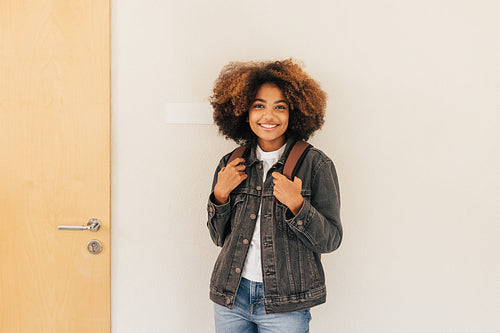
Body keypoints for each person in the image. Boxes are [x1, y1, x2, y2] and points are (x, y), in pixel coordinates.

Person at [207, 59, 342, 333]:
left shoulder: (316, 165)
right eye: (259, 105)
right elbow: (218, 237)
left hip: (286, 305)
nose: (269, 116)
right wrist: (220, 194)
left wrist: (298, 204)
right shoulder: (230, 163)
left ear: (295, 112)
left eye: (280, 106)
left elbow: (331, 240)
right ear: (244, 112)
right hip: (231, 296)